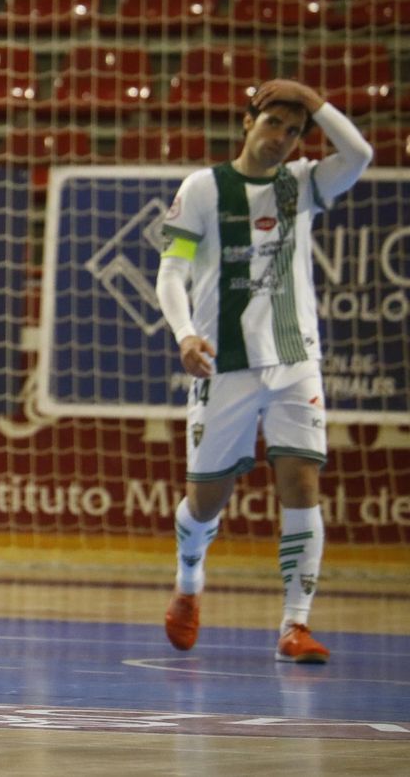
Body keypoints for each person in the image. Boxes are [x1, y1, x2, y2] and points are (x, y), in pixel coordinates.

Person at [155, 78, 372, 664]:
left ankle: (294, 625)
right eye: (273, 123)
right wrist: (184, 334)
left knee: (302, 485)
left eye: (294, 129)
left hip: (296, 362)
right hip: (223, 365)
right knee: (206, 502)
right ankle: (188, 585)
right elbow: (171, 272)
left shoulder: (301, 185)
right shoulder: (203, 188)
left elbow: (359, 155)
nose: (282, 137)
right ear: (247, 122)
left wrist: (315, 98)